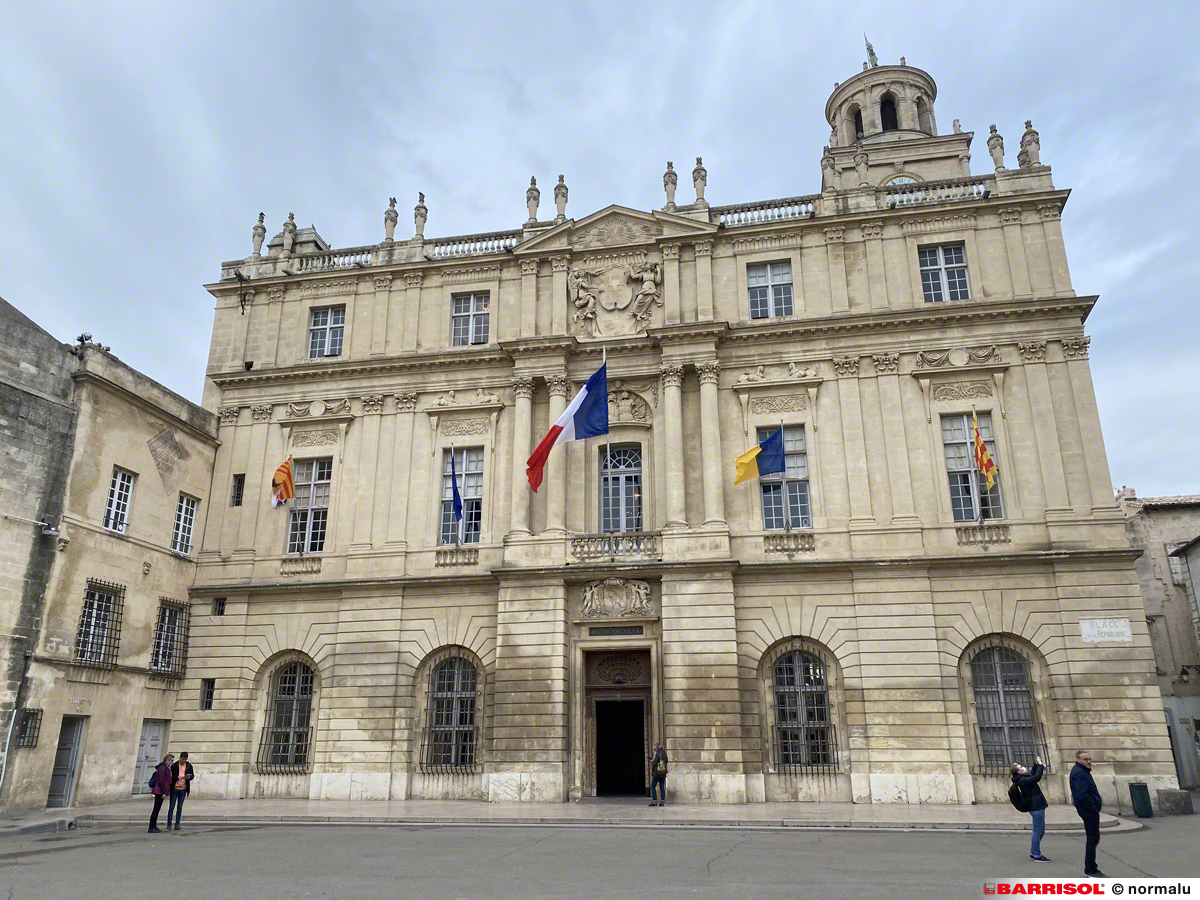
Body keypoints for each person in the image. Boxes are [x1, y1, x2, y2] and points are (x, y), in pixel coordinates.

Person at [1069, 749, 1105, 878]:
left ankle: (1091, 867)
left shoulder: (1081, 771)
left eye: (1089, 759)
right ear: (1078, 760)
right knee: (1092, 838)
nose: (1089, 761)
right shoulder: (1080, 773)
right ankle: (1090, 869)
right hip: (1088, 810)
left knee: (1093, 838)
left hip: (1088, 809)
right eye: (1085, 759)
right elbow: (1082, 794)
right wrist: (1093, 807)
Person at [1011, 756, 1050, 861]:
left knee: (1041, 831)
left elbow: (1032, 773)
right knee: (1037, 832)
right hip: (1035, 806)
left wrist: (1036, 763)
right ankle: (1036, 854)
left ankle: (1034, 852)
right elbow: (1036, 777)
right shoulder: (1022, 780)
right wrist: (1040, 765)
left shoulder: (1022, 777)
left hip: (1037, 806)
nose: (1023, 768)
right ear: (1018, 772)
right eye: (1020, 767)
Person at [167, 751, 195, 831]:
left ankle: (177, 825)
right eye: (183, 759)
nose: (184, 761)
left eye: (185, 759)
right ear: (180, 758)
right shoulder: (174, 765)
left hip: (183, 788)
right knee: (171, 807)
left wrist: (189, 777)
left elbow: (192, 775)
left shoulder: (189, 766)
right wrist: (177, 777)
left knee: (179, 807)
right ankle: (169, 825)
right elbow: (170, 776)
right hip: (175, 788)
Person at [148, 753, 174, 833]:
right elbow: (161, 780)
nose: (172, 762)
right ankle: (152, 827)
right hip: (159, 791)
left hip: (161, 790)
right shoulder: (163, 767)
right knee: (156, 809)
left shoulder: (166, 767)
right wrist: (163, 792)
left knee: (157, 809)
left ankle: (153, 826)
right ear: (166, 760)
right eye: (171, 760)